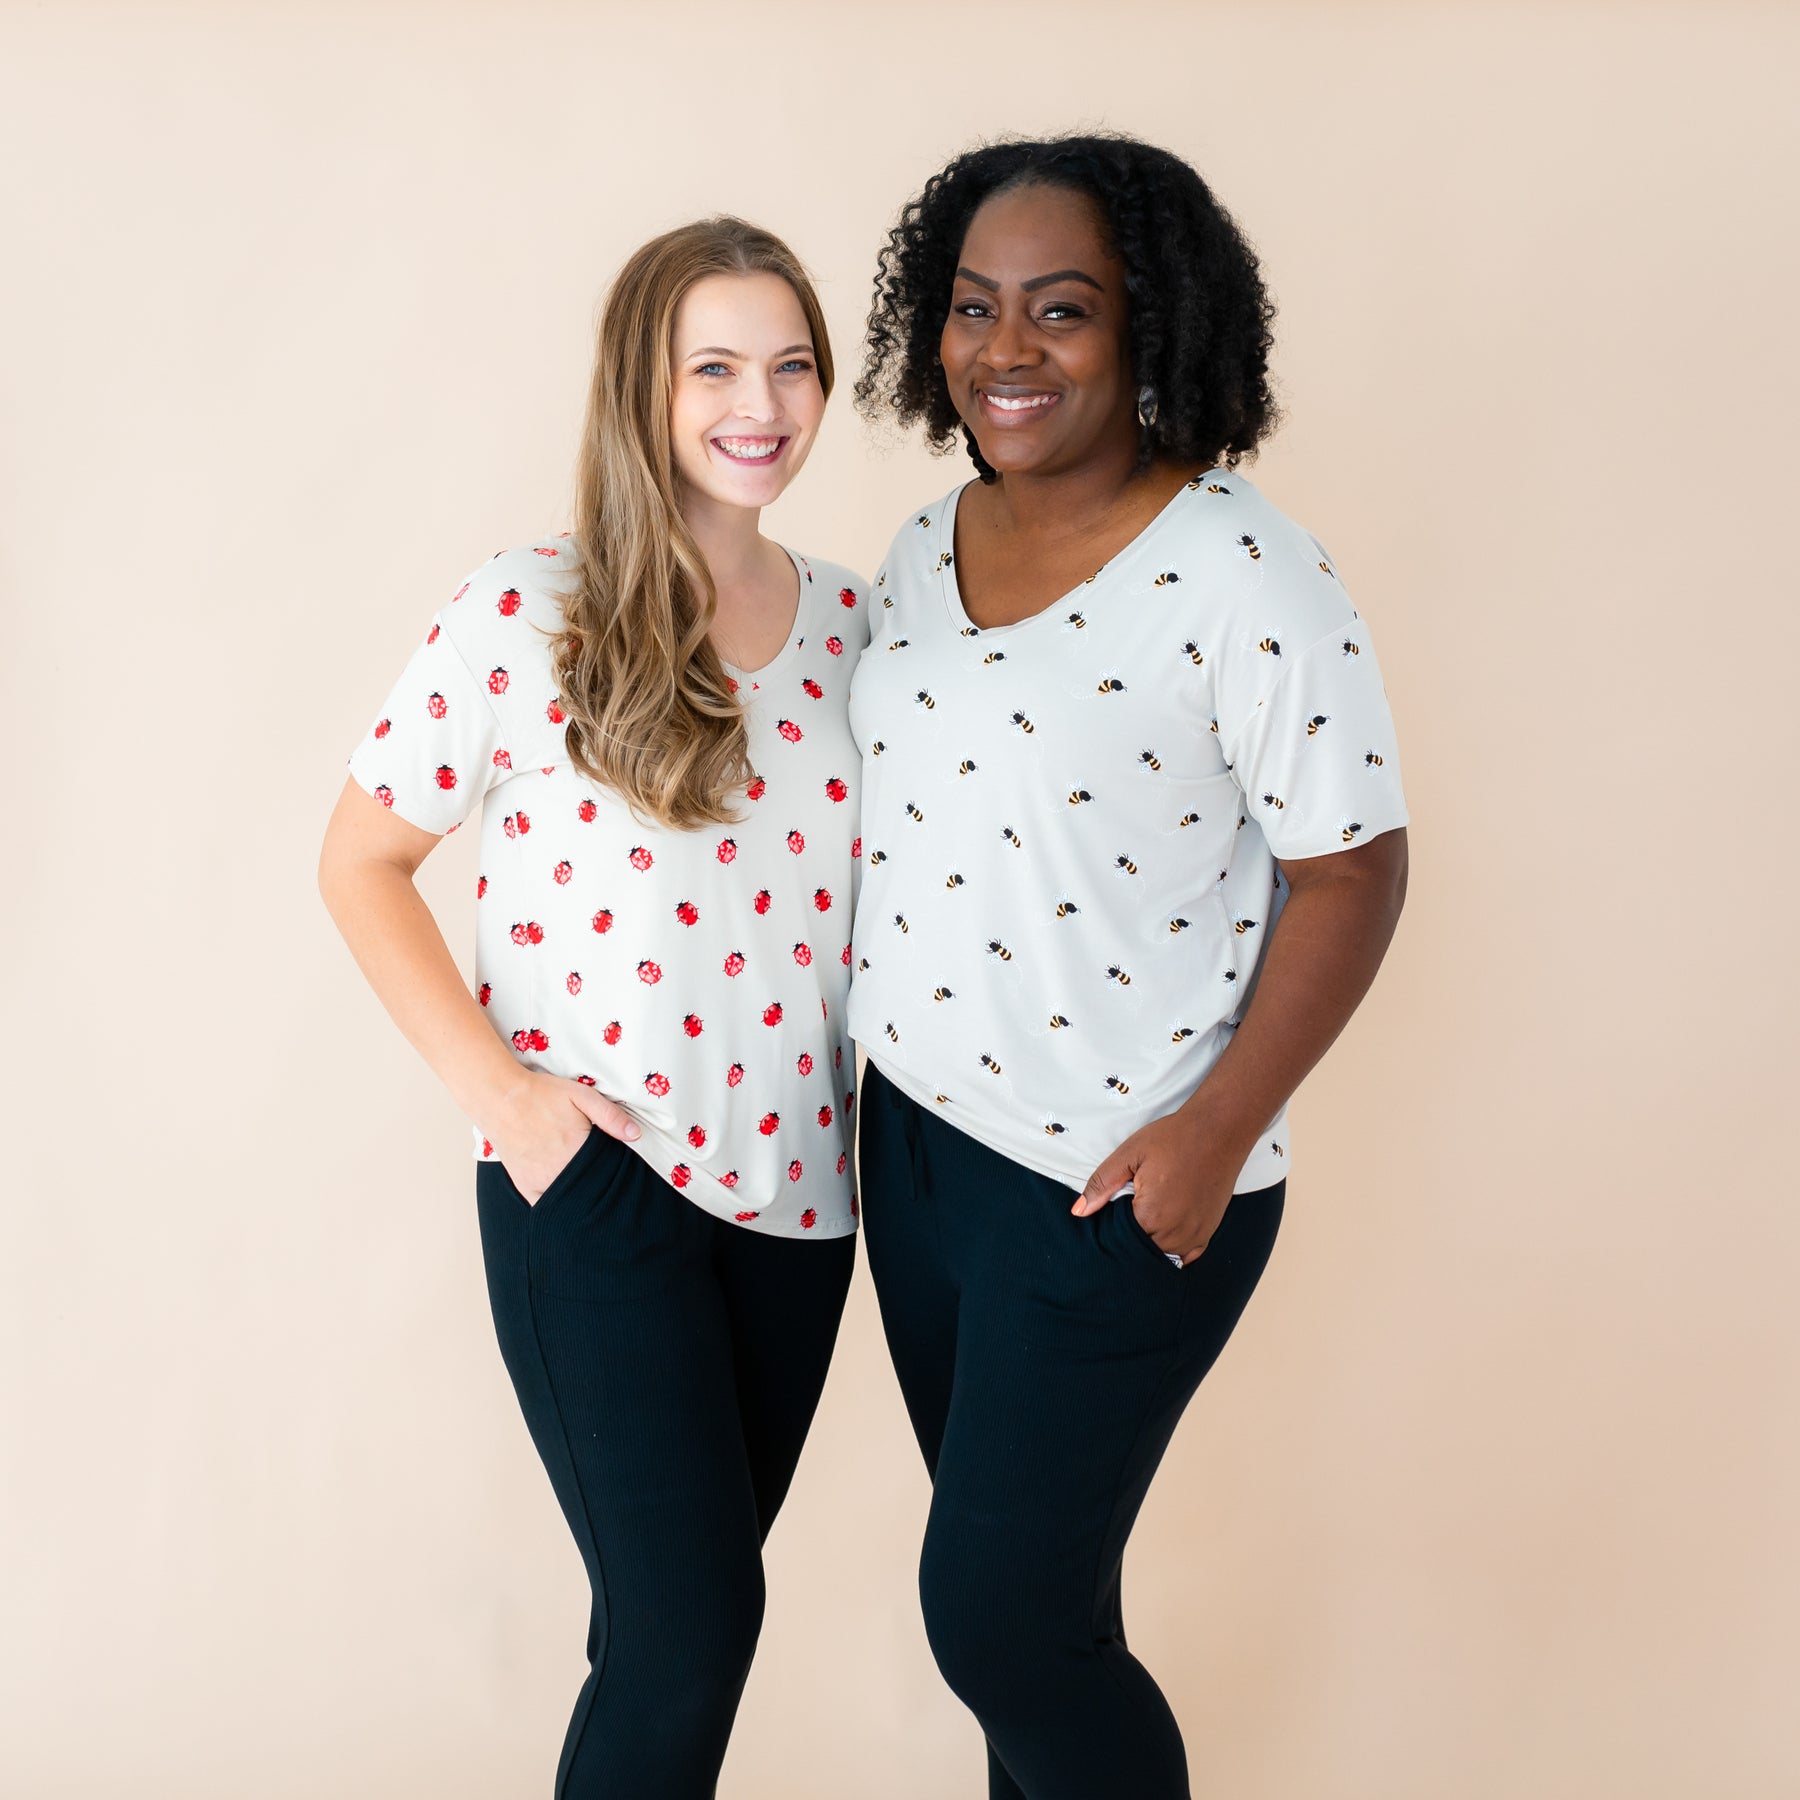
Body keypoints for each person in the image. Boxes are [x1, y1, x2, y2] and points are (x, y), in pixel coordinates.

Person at [848, 135, 1411, 1799]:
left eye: (1062, 310)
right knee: (1046, 1610)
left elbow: (1357, 872)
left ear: (1153, 327)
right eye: (972, 308)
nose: (1005, 349)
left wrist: (1217, 1134)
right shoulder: (918, 546)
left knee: (1003, 1625)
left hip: (1116, 1178)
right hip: (922, 1151)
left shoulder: (1248, 575)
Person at [318, 216, 868, 1798]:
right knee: (691, 1625)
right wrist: (515, 1110)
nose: (759, 403)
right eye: (714, 366)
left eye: (790, 365)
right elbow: (360, 859)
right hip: (602, 1188)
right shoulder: (528, 607)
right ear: (643, 385)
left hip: (800, 1208)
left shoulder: (856, 624)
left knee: (671, 1626)